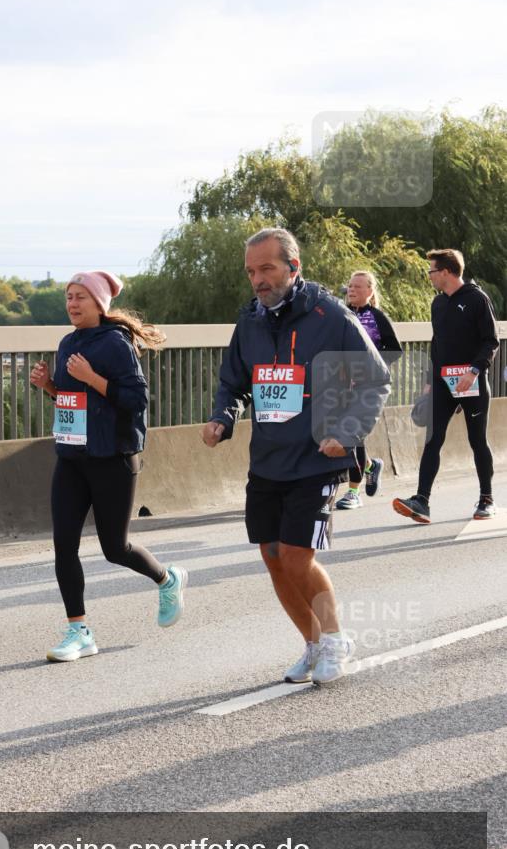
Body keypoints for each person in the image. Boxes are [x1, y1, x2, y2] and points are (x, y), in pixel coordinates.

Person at [202, 228, 391, 685]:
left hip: (318, 457)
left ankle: (336, 639)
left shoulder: (331, 316)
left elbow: (376, 379)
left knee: (296, 556)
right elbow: (233, 383)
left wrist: (346, 433)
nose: (258, 280)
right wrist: (222, 417)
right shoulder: (250, 321)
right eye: (251, 271)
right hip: (268, 458)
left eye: (267, 268)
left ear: (293, 267)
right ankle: (312, 642)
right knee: (272, 555)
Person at [30, 270, 187, 663]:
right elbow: (73, 400)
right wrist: (49, 386)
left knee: (115, 548)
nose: (72, 303)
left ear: (99, 303)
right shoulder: (67, 343)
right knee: (63, 544)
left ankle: (166, 578)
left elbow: (136, 400)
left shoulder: (116, 343)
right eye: (69, 296)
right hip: (72, 457)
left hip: (113, 457)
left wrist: (92, 377)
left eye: (80, 296)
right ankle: (78, 630)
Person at [393, 249, 499, 524]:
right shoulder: (438, 303)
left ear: (446, 272)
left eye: (431, 271)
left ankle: (486, 499)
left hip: (472, 381)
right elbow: (437, 345)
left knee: (477, 440)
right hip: (442, 383)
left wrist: (474, 371)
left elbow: (491, 340)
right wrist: (429, 383)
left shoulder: (477, 299)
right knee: (433, 438)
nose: (429, 276)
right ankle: (422, 501)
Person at [336, 271, 402, 510]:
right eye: (350, 286)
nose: (351, 290)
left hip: (366, 388)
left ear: (370, 291)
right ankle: (371, 466)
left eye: (357, 286)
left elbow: (395, 350)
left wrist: (371, 369)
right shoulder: (340, 314)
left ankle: (353, 492)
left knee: (354, 435)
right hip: (339, 386)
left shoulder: (377, 317)